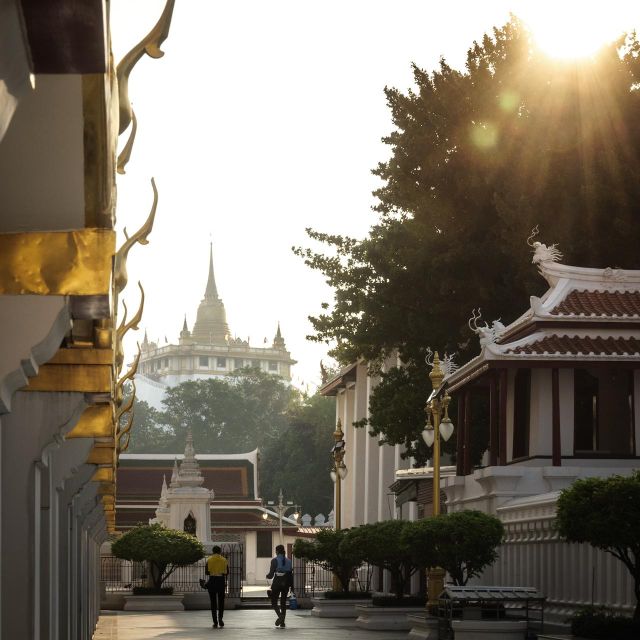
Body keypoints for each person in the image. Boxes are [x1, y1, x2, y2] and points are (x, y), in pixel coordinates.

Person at [266, 544, 293, 628]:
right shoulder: (289, 561)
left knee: (274, 602)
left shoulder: (274, 560)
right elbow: (290, 573)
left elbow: (271, 575)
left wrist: (267, 576)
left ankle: (280, 616)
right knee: (283, 603)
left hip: (277, 582)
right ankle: (282, 622)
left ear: (277, 551)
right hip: (286, 583)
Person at [205, 545, 228, 628]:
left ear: (213, 551)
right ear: (220, 551)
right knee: (221, 602)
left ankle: (215, 622)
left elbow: (207, 572)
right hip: (221, 581)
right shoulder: (224, 560)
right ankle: (220, 619)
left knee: (213, 603)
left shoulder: (209, 560)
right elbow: (226, 572)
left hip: (212, 581)